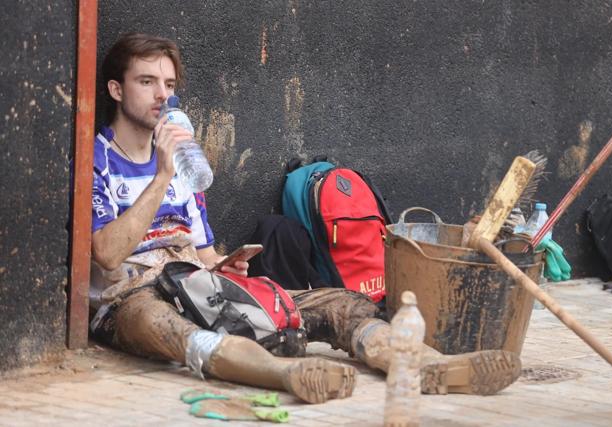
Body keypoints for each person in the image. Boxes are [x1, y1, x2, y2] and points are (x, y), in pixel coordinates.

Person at [88, 32, 521, 404]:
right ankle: (284, 376)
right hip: (130, 297)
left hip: (195, 285)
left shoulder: (186, 164)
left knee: (339, 302)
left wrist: (226, 265)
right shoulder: (99, 160)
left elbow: (202, 255)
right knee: (158, 323)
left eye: (168, 83)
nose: (163, 95)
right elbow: (106, 255)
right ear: (116, 90)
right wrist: (163, 174)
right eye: (147, 82)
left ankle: (432, 367)